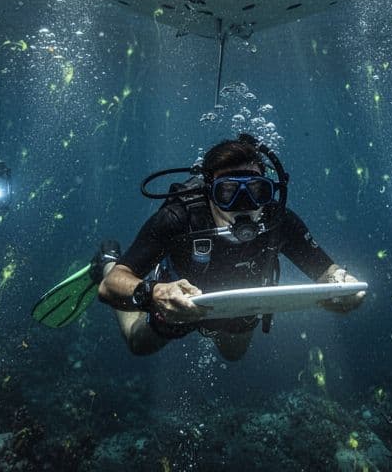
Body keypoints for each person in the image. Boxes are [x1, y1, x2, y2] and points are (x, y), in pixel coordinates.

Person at [93, 134, 365, 361]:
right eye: (228, 192)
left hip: (238, 312)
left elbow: (326, 271)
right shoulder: (179, 217)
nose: (244, 203)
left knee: (234, 355)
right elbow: (111, 286)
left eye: (257, 191)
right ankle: (106, 260)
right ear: (209, 192)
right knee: (139, 345)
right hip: (175, 302)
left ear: (269, 192)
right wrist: (156, 293)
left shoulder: (278, 221)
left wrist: (341, 282)